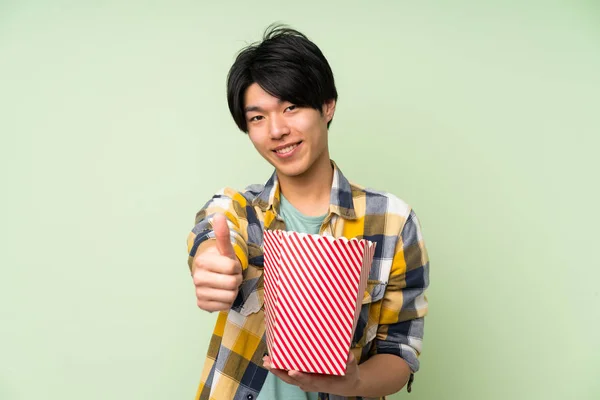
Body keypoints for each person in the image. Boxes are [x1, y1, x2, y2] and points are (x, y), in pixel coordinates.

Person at [186, 24, 430, 400]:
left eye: (291, 107)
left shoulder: (394, 222)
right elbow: (210, 232)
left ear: (327, 106)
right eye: (258, 118)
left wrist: (356, 383)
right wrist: (209, 266)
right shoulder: (238, 209)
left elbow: (400, 350)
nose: (277, 129)